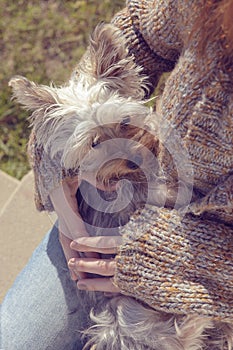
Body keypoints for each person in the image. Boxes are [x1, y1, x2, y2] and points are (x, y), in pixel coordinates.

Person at [1, 0, 233, 349]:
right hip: (100, 235)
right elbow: (137, 32)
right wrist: (61, 196)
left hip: (209, 273)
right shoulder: (206, 5)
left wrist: (165, 262)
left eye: (124, 126)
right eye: (97, 144)